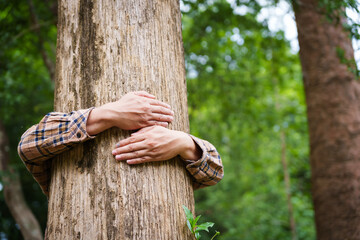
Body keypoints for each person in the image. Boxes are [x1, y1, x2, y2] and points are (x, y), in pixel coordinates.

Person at [18, 91, 224, 197]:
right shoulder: (56, 155)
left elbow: (215, 172)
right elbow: (28, 146)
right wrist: (109, 114)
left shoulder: (182, 163)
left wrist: (184, 143)